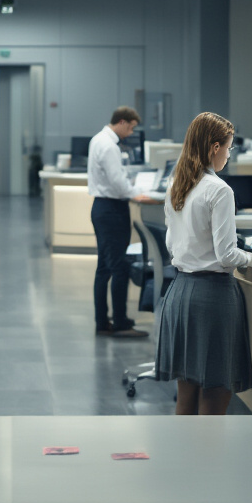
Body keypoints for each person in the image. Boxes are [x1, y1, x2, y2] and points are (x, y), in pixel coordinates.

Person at [155, 112, 252, 415]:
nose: (229, 156)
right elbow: (226, 256)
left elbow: (172, 243)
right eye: (229, 148)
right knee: (215, 396)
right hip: (212, 298)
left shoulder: (176, 183)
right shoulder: (219, 190)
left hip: (179, 295)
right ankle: (208, 462)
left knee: (186, 396)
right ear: (214, 147)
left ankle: (186, 461)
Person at [88, 105, 154, 338]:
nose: (131, 133)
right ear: (122, 122)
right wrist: (136, 193)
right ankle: (121, 323)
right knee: (119, 267)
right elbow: (117, 181)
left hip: (101, 207)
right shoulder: (108, 145)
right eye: (131, 128)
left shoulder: (98, 139)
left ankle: (102, 321)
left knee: (104, 268)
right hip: (112, 209)